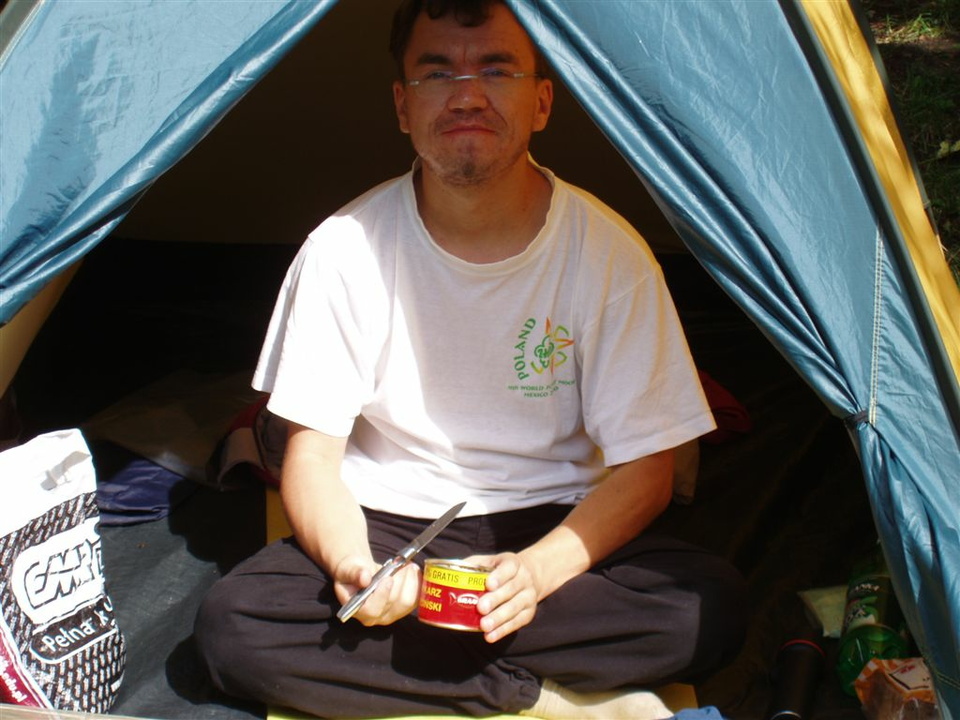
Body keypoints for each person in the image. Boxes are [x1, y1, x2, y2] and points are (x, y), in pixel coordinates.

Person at [194, 0, 747, 717]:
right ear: (403, 105)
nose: (466, 96)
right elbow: (312, 457)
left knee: (708, 606)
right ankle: (517, 689)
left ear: (541, 101)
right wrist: (353, 565)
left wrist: (536, 575)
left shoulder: (610, 253)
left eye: (496, 69)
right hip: (388, 529)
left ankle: (405, 672)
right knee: (234, 627)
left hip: (552, 526)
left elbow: (648, 469)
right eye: (436, 74)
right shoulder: (342, 248)